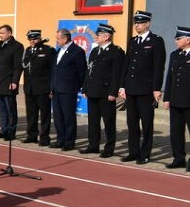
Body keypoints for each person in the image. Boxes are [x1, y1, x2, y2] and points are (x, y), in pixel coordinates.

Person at [119, 11, 166, 164]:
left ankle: (145, 154)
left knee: (146, 124)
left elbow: (159, 67)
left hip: (146, 90)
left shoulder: (156, 41)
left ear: (148, 24)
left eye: (140, 23)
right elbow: (126, 65)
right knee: (132, 123)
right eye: (135, 23)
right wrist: (122, 86)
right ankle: (133, 151)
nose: (137, 25)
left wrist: (157, 88)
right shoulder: (133, 41)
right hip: (131, 89)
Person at [80, 24, 125, 158]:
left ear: (106, 36)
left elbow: (117, 74)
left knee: (109, 121)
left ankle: (109, 148)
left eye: (98, 35)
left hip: (106, 93)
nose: (96, 37)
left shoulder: (116, 52)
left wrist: (113, 92)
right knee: (93, 121)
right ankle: (93, 145)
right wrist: (85, 87)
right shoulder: (95, 51)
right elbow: (89, 71)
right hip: (93, 91)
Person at [50, 28, 87, 151]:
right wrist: (51, 87)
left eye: (58, 38)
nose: (56, 41)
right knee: (58, 116)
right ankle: (60, 139)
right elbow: (54, 71)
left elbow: (82, 72)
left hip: (68, 90)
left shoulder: (77, 51)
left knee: (68, 116)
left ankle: (69, 141)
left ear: (65, 39)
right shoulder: (59, 51)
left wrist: (77, 87)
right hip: (56, 89)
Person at [22, 30, 56, 145]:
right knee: (31, 114)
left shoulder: (48, 50)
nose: (32, 41)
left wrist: (52, 87)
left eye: (35, 39)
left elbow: (53, 70)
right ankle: (32, 135)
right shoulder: (27, 51)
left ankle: (45, 137)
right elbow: (24, 65)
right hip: (29, 88)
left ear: (40, 39)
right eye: (30, 39)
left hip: (43, 88)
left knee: (45, 114)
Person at [163, 26, 190, 171]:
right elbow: (170, 78)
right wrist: (167, 98)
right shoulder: (175, 55)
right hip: (175, 99)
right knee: (176, 132)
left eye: (178, 38)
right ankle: (178, 158)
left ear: (188, 39)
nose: (175, 41)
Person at [0, 24, 24, 140]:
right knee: (2, 110)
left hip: (8, 82)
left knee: (10, 110)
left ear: (9, 33)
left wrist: (15, 81)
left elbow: (17, 66)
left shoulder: (17, 46)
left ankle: (11, 132)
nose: (0, 35)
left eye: (3, 33)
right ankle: (4, 130)